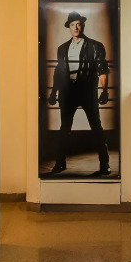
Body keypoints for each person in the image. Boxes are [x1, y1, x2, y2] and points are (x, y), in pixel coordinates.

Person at [47, 10, 111, 176]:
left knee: (96, 127)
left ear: (83, 25)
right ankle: (60, 163)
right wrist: (54, 93)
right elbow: (59, 72)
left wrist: (104, 91)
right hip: (68, 92)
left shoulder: (95, 46)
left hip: (87, 91)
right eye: (72, 24)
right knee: (64, 128)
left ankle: (105, 165)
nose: (76, 27)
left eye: (78, 24)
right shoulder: (62, 48)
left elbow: (102, 69)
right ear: (69, 27)